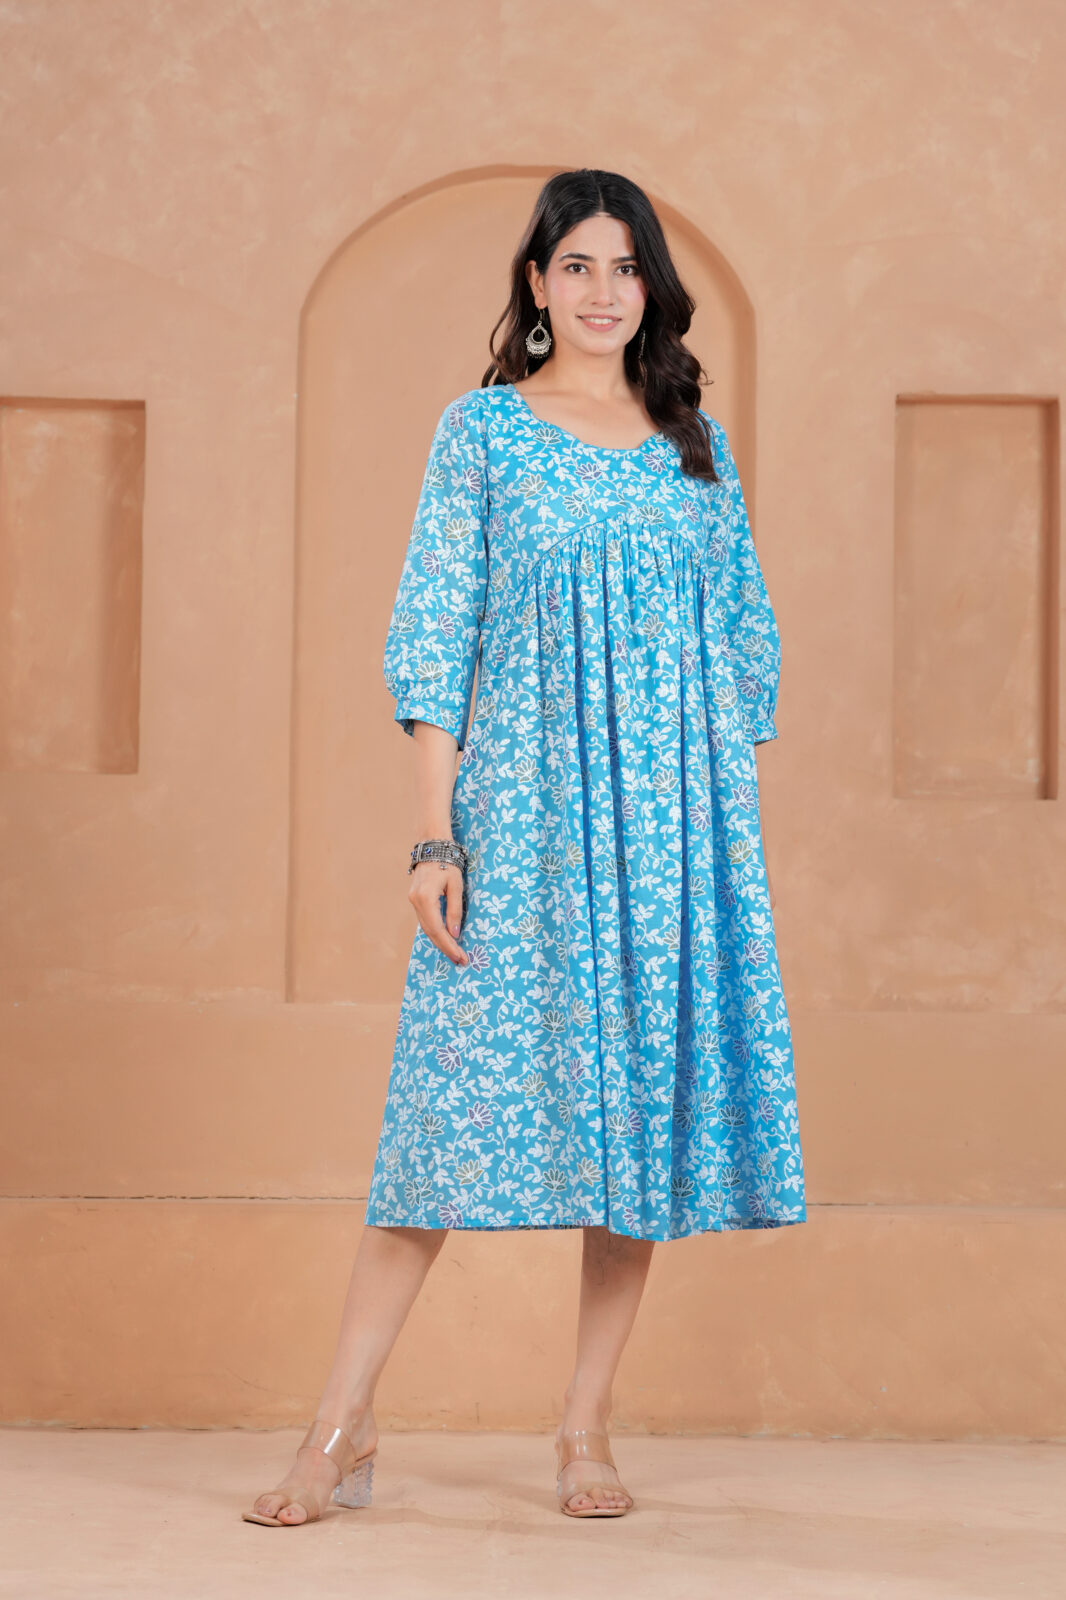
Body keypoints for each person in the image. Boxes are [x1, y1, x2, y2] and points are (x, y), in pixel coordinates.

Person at [243, 167, 806, 1529]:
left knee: (637, 1136)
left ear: (650, 286)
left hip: (670, 834)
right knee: (437, 1126)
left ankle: (583, 1426)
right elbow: (436, 632)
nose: (603, 290)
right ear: (538, 283)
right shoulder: (483, 432)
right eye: (577, 265)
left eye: (626, 266)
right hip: (523, 818)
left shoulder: (695, 446)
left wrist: (713, 832)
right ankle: (338, 1429)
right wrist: (435, 837)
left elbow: (745, 638)